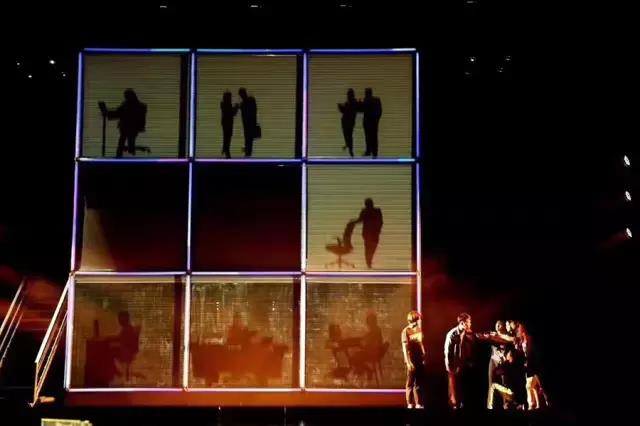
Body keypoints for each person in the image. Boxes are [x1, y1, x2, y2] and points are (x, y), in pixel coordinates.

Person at [100, 89, 147, 158]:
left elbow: (119, 113)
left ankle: (123, 156)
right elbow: (119, 112)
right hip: (129, 128)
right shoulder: (134, 105)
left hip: (128, 128)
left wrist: (107, 113)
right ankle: (126, 154)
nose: (126, 98)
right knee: (126, 143)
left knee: (124, 143)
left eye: (126, 96)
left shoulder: (129, 105)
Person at [444, 312, 475, 409]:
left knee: (463, 387)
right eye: (468, 322)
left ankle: (462, 404)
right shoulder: (452, 334)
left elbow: (470, 348)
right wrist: (450, 368)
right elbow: (447, 352)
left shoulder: (468, 333)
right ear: (462, 323)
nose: (470, 324)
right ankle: (454, 405)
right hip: (454, 365)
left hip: (464, 364)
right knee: (454, 389)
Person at [515, 322, 549, 409]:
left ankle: (547, 401)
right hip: (528, 366)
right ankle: (535, 404)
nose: (518, 330)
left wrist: (528, 359)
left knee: (540, 384)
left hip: (534, 364)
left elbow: (532, 351)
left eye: (519, 328)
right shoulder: (521, 341)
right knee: (531, 386)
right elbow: (522, 353)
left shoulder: (530, 338)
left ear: (523, 329)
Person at [402, 310, 426, 408]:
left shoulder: (419, 329)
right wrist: (408, 362)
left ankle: (418, 403)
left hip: (419, 358)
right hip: (411, 359)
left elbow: (420, 343)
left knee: (418, 382)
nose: (419, 321)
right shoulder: (406, 331)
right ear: (413, 320)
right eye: (418, 319)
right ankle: (410, 403)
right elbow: (405, 348)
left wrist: (424, 354)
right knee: (410, 382)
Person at [352, 198, 383, 269]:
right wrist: (353, 222)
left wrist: (378, 230)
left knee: (372, 247)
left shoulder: (377, 211)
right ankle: (368, 262)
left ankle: (369, 261)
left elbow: (380, 221)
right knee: (368, 247)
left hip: (374, 232)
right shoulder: (364, 211)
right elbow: (360, 219)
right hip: (368, 233)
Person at [358, 88, 382, 158]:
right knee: (371, 137)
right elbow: (379, 111)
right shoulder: (374, 100)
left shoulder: (371, 100)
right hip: (371, 122)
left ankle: (372, 152)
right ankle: (372, 152)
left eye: (366, 93)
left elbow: (379, 111)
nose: (365, 94)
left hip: (370, 122)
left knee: (371, 137)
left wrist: (376, 119)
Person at [338, 88, 358, 157]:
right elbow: (344, 111)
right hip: (345, 121)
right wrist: (341, 108)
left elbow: (348, 111)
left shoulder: (353, 102)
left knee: (349, 135)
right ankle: (348, 145)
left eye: (348, 94)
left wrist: (342, 108)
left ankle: (350, 150)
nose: (347, 95)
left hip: (349, 122)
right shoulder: (348, 102)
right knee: (346, 135)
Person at [238, 88, 258, 157]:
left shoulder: (248, 101)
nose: (240, 96)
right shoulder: (247, 101)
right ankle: (247, 153)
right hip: (247, 124)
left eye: (241, 94)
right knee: (248, 139)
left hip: (249, 124)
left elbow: (253, 111)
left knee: (248, 139)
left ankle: (248, 153)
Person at [220, 91, 239, 158]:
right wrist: (236, 107)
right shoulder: (226, 104)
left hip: (226, 123)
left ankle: (225, 150)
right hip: (228, 123)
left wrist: (235, 108)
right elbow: (232, 113)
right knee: (227, 137)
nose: (231, 98)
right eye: (230, 97)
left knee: (226, 137)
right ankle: (226, 152)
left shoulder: (223, 104)